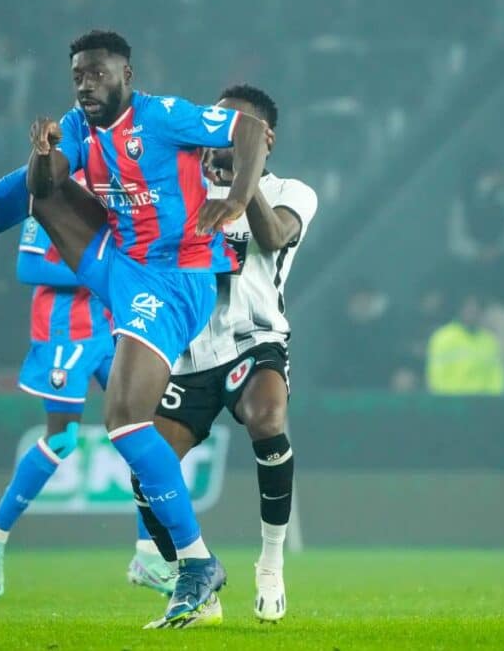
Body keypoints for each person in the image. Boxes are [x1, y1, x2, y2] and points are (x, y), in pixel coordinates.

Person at [0, 30, 270, 625]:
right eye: (77, 75)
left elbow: (248, 131)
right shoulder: (75, 125)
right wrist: (45, 155)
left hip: (176, 278)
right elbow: (45, 188)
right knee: (32, 190)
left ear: (127, 73)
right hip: (119, 263)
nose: (85, 84)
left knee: (123, 420)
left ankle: (196, 563)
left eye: (97, 74)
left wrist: (236, 198)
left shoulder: (165, 116)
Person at [133, 85, 316, 626]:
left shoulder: (292, 191)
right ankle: (200, 584)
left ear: (264, 139)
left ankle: (271, 561)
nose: (220, 132)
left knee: (266, 416)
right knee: (147, 474)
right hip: (188, 355)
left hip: (253, 340)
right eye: (216, 122)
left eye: (236, 126)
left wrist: (245, 182)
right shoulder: (179, 188)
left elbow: (276, 235)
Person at [0, 210, 175, 599]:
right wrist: (99, 276)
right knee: (62, 438)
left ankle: (148, 555)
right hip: (63, 331)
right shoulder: (51, 194)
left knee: (143, 430)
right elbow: (28, 266)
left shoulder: (116, 188)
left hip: (110, 327)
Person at [426, 293, 504, 396]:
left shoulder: (489, 341)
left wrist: (493, 401)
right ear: (460, 310)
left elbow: (496, 377)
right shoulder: (443, 338)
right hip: (451, 403)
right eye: (468, 308)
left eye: (476, 309)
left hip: (482, 404)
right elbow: (435, 376)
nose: (472, 313)